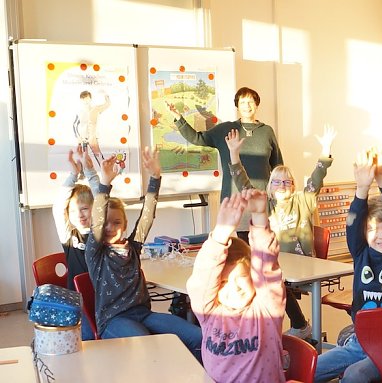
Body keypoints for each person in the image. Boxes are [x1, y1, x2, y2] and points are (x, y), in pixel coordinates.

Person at [85, 147, 202, 360]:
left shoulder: (133, 246)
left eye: (117, 222)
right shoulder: (97, 254)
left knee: (197, 336)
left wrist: (155, 177)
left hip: (144, 315)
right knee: (147, 347)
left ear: (125, 224)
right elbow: (99, 220)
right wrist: (104, 183)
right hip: (114, 320)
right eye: (106, 224)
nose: (111, 228)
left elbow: (147, 216)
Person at [314, 149, 382, 383]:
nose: (381, 235)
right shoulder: (361, 253)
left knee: (355, 376)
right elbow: (353, 224)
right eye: (372, 229)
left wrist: (381, 178)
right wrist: (361, 189)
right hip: (360, 343)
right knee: (309, 368)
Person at [227, 125, 336, 339]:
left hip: (300, 264)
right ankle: (265, 330)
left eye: (287, 182)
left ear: (294, 185)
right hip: (274, 264)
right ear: (269, 185)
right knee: (256, 278)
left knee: (273, 279)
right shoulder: (264, 203)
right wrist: (233, 154)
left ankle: (299, 326)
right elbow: (243, 183)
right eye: (276, 182)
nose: (282, 186)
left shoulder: (303, 201)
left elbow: (316, 179)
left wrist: (325, 150)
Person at [187, 189, 287, 383]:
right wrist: (221, 233)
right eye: (224, 282)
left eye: (240, 277)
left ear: (252, 276)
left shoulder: (266, 308)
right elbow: (202, 279)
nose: (235, 288)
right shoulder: (209, 312)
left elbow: (267, 267)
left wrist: (259, 216)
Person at [169, 86, 282, 199]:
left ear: (256, 105)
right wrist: (179, 118)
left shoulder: (267, 131)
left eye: (250, 102)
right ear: (237, 106)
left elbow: (278, 167)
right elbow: (197, 138)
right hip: (233, 200)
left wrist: (280, 196)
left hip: (262, 198)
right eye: (242, 102)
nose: (247, 106)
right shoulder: (225, 130)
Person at [52, 145, 99, 340]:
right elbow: (57, 207)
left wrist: (89, 171)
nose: (79, 215)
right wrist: (74, 174)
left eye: (85, 209)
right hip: (78, 300)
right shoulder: (69, 235)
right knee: (87, 339)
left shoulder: (100, 231)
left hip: (102, 297)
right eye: (73, 211)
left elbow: (102, 197)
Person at [73, 90, 110, 162]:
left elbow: (107, 104)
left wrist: (106, 94)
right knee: (83, 157)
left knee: (98, 155)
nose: (85, 101)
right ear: (81, 100)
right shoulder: (80, 112)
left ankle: (104, 171)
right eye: (83, 99)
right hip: (83, 138)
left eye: (87, 98)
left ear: (90, 99)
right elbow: (74, 125)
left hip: (93, 137)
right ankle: (82, 172)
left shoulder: (96, 108)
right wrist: (79, 138)